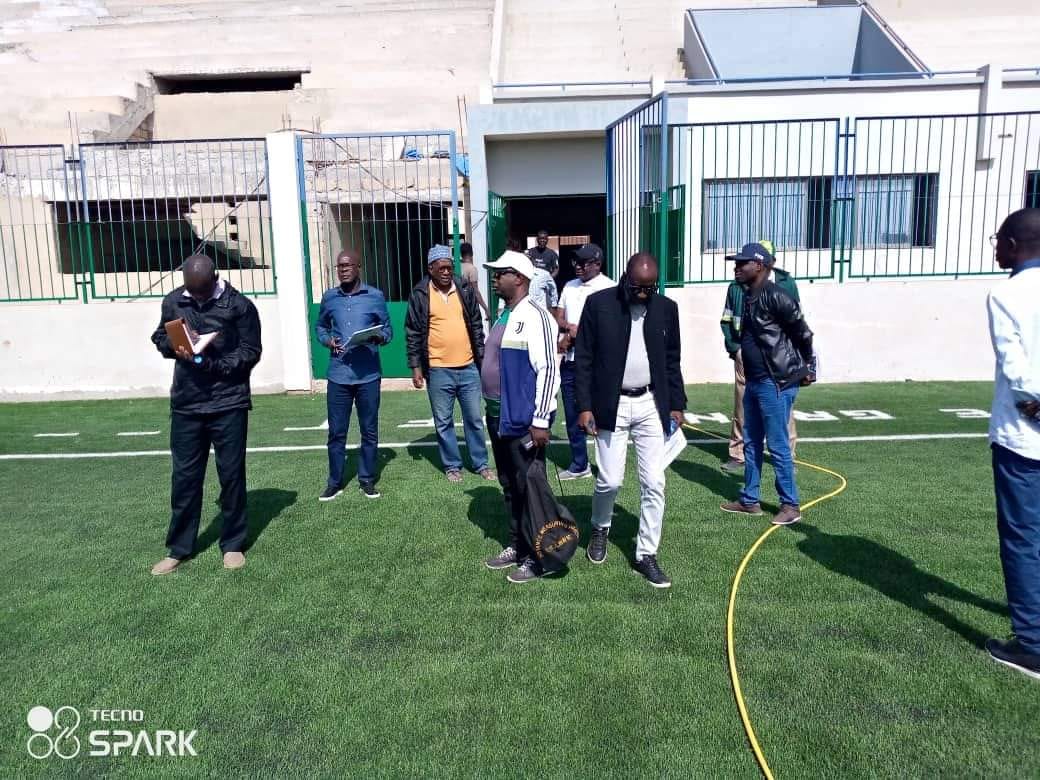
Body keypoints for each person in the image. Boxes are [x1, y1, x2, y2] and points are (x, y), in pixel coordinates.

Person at [575, 253, 686, 588]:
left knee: (654, 482)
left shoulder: (666, 308)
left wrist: (677, 404)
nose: (643, 295)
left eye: (650, 289)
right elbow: (584, 359)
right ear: (625, 277)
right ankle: (600, 526)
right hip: (612, 405)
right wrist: (584, 406)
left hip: (652, 404)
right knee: (609, 480)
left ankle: (645, 553)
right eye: (638, 287)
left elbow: (672, 360)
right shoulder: (599, 304)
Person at [149, 254, 262, 575]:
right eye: (191, 291)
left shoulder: (239, 305)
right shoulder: (173, 301)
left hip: (228, 402)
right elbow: (160, 336)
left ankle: (233, 544)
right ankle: (179, 548)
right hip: (187, 403)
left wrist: (216, 363)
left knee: (230, 475)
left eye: (202, 292)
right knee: (184, 478)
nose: (196, 298)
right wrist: (176, 347)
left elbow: (251, 350)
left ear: (215, 278)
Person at [720, 242, 815, 527]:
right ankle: (750, 499)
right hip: (755, 380)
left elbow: (803, 333)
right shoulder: (747, 295)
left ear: (759, 266)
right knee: (750, 441)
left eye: (742, 263)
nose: (736, 268)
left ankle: (790, 505)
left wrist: (808, 367)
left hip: (776, 382)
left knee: (778, 445)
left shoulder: (777, 296)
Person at [480, 250, 561, 583]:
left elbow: (548, 369)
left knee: (529, 488)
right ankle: (517, 545)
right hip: (498, 415)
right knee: (510, 485)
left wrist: (540, 420)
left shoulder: (537, 316)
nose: (496, 278)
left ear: (520, 278)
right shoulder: (503, 314)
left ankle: (535, 556)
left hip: (523, 420)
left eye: (501, 273)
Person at [984, 208, 1040, 680]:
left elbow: (1017, 365)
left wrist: (1035, 402)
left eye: (998, 240)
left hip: (1024, 440)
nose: (995, 248)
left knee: (1023, 539)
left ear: (1016, 245)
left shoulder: (1007, 295)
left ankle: (1032, 645)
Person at [405, 244, 494, 483]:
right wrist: (416, 367)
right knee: (443, 422)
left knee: (474, 419)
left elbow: (476, 324)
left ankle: (481, 463)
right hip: (438, 370)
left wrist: (482, 358)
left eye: (449, 267)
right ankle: (452, 465)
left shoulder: (464, 288)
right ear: (430, 268)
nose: (446, 272)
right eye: (441, 268)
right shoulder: (420, 293)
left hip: (468, 368)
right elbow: (413, 331)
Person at [315, 248, 392, 501]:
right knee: (337, 432)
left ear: (358, 267)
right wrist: (328, 341)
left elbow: (388, 331)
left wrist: (378, 336)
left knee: (369, 430)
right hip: (338, 375)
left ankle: (367, 479)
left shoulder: (375, 296)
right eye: (340, 266)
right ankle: (334, 482)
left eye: (348, 265)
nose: (343, 269)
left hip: (368, 374)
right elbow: (321, 327)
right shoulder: (330, 298)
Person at [720, 239, 800, 474]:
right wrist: (735, 348)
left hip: (780, 357)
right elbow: (726, 319)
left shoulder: (786, 284)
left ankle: (787, 456)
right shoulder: (736, 287)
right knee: (743, 405)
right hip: (746, 355)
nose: (740, 266)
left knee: (783, 405)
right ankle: (738, 454)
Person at [556, 243, 615, 480]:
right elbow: (558, 315)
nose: (577, 267)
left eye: (583, 263)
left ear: (597, 264)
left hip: (598, 365)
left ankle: (606, 466)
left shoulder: (610, 288)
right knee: (572, 415)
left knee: (601, 416)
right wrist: (569, 328)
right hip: (571, 362)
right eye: (576, 263)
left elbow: (613, 327)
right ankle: (580, 465)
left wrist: (581, 332)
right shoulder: (569, 286)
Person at [459, 242, 491, 321]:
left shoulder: (456, 267)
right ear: (472, 253)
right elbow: (475, 291)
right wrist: (486, 309)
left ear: (461, 254)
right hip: (468, 307)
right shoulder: (472, 269)